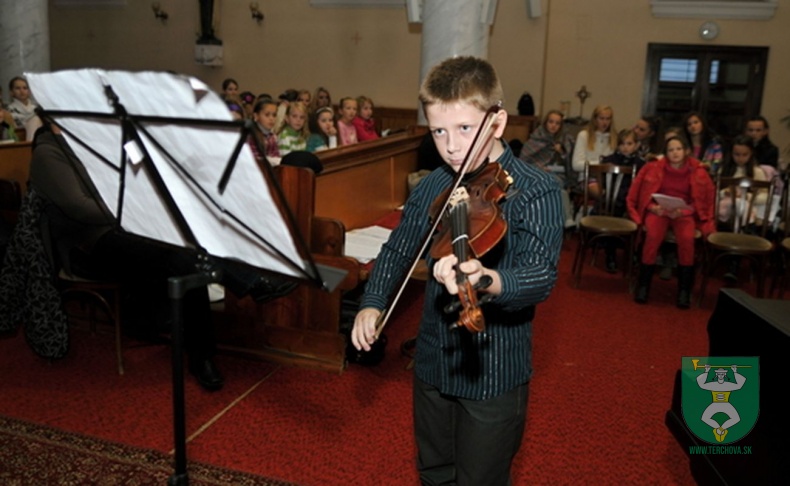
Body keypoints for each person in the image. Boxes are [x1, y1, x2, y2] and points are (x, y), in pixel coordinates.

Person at [351, 56, 563, 485]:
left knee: (480, 478)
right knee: (433, 471)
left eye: (465, 129)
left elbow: (540, 275)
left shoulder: (537, 191)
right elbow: (397, 250)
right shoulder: (435, 183)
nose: (450, 146)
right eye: (439, 131)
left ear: (497, 122)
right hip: (432, 361)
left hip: (494, 369)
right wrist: (372, 304)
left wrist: (488, 279)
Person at [28, 120, 297, 390]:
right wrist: (132, 206)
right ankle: (246, 289)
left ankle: (203, 354)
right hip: (88, 246)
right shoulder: (48, 152)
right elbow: (80, 207)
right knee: (183, 257)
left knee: (187, 257)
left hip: (126, 231)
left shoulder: (93, 141)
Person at [627, 136, 715, 309]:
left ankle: (684, 290)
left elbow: (703, 202)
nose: (675, 153)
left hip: (683, 212)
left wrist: (684, 211)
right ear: (665, 153)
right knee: (652, 237)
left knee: (687, 239)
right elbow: (638, 194)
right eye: (671, 150)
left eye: (678, 149)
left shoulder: (698, 171)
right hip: (659, 210)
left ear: (686, 151)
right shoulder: (653, 168)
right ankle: (643, 286)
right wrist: (653, 207)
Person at [519, 109, 576, 227]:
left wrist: (561, 152)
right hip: (536, 174)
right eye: (551, 122)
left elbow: (571, 164)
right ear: (545, 123)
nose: (553, 126)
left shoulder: (566, 140)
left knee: (557, 187)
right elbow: (523, 161)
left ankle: (560, 221)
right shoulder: (536, 138)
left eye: (557, 123)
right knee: (556, 188)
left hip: (558, 174)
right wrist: (538, 167)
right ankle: (567, 218)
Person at [599, 128, 645, 273]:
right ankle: (610, 255)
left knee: (641, 216)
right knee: (614, 215)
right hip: (613, 201)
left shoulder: (641, 164)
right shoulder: (610, 160)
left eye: (629, 143)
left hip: (633, 202)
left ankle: (634, 253)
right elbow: (604, 184)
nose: (625, 147)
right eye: (622, 143)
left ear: (636, 145)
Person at [571, 104, 617, 199]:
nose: (605, 122)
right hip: (587, 177)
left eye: (607, 119)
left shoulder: (614, 138)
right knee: (601, 193)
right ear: (595, 119)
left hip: (607, 178)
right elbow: (576, 165)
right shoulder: (584, 135)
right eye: (601, 118)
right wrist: (601, 164)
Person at [682, 111, 723, 176]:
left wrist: (706, 167)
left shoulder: (714, 145)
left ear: (702, 123)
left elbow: (717, 165)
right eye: (689, 124)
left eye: (696, 122)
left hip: (706, 180)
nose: (693, 126)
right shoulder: (683, 146)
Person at [249, 98, 281, 164]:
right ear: (256, 116)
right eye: (267, 115)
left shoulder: (273, 137)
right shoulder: (251, 136)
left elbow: (276, 156)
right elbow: (253, 160)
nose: (271, 118)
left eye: (274, 115)